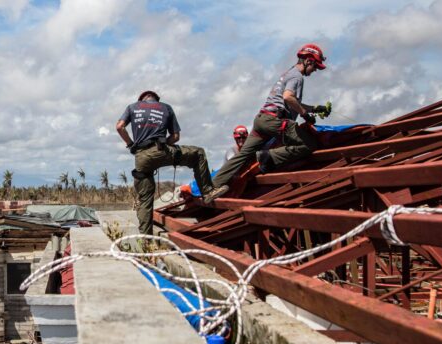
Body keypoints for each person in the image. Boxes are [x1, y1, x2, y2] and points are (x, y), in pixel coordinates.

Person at [203, 44, 331, 204]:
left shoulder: (288, 74)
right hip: (275, 120)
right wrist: (305, 115)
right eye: (315, 67)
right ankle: (264, 157)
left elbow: (292, 102)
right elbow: (288, 97)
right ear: (308, 61)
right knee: (309, 144)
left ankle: (211, 188)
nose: (314, 71)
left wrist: (314, 109)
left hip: (262, 119)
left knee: (242, 156)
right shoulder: (297, 77)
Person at [116, 90, 211, 235]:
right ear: (156, 99)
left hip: (142, 156)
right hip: (163, 151)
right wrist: (163, 145)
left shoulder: (132, 107)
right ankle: (207, 192)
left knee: (145, 200)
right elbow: (176, 136)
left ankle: (146, 239)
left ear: (141, 100)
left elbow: (119, 127)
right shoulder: (165, 107)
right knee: (198, 154)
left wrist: (131, 145)